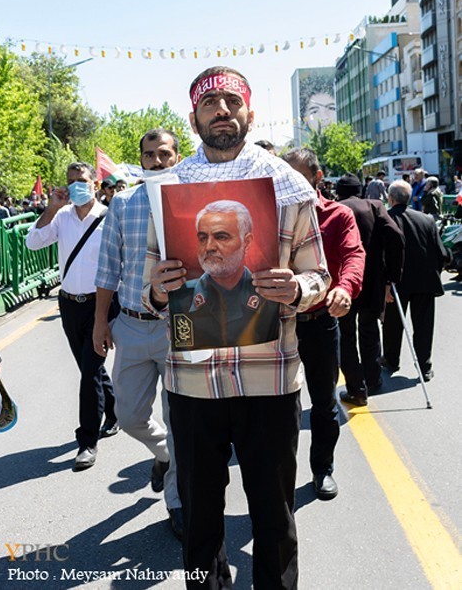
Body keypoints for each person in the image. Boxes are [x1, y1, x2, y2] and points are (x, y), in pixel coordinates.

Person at [142, 66, 330, 589]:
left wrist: (296, 288)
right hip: (193, 385)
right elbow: (150, 291)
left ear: (250, 113)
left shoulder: (288, 185)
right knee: (200, 521)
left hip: (269, 381)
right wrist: (159, 289)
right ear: (194, 118)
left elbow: (319, 274)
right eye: (210, 103)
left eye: (232, 101)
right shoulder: (168, 190)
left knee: (274, 516)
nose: (221, 110)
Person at [93, 129, 183, 540]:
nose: (157, 161)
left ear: (177, 157)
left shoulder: (190, 199)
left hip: (178, 327)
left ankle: (177, 502)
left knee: (178, 418)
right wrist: (101, 321)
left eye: (164, 154)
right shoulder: (123, 203)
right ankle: (163, 454)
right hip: (129, 325)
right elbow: (108, 267)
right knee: (128, 415)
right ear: (141, 160)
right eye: (149, 155)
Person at [282, 148, 365, 500]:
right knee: (279, 407)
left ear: (317, 178)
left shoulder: (338, 215)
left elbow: (353, 254)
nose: (289, 185)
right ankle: (278, 479)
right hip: (278, 324)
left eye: (298, 177)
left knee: (323, 402)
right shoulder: (272, 215)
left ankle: (322, 468)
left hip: (319, 322)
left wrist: (345, 288)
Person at [25, 162, 118, 470]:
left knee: (90, 371)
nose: (76, 185)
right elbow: (33, 242)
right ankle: (113, 410)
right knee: (89, 367)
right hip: (69, 305)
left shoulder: (109, 216)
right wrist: (51, 208)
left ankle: (87, 441)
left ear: (94, 184)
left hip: (100, 305)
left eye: (82, 180)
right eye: (71, 180)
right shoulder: (61, 217)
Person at [170, 200, 279, 349]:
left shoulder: (270, 294)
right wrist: (156, 294)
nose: (209, 247)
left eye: (221, 237)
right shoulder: (179, 295)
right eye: (202, 238)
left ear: (246, 242)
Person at [335, 173, 404, 406]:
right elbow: (396, 236)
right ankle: (373, 379)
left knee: (345, 335)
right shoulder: (374, 206)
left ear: (338, 192)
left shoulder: (336, 208)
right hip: (372, 280)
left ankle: (356, 388)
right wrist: (391, 276)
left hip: (343, 282)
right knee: (369, 329)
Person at [382, 181, 450, 382]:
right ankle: (424, 366)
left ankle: (391, 360)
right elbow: (441, 253)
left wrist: (384, 282)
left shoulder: (386, 219)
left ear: (390, 199)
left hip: (397, 281)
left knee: (393, 323)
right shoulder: (427, 219)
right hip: (425, 279)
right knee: (424, 326)